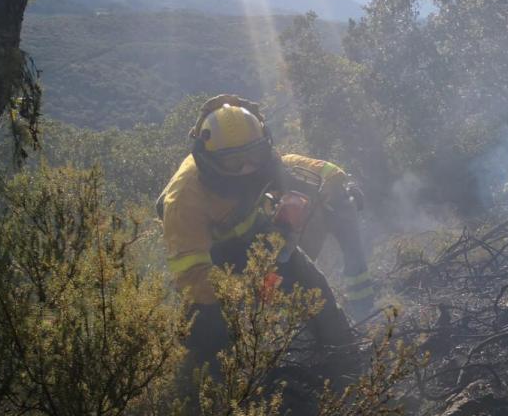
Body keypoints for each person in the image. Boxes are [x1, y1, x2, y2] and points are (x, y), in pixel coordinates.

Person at [157, 94, 374, 369]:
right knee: (209, 338)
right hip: (212, 264)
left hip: (254, 240)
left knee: (314, 291)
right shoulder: (184, 199)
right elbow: (192, 277)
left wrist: (333, 179)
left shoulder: (259, 161)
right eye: (233, 161)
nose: (247, 167)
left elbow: (290, 165)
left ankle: (349, 363)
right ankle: (214, 394)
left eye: (253, 155)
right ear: (208, 158)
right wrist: (251, 290)